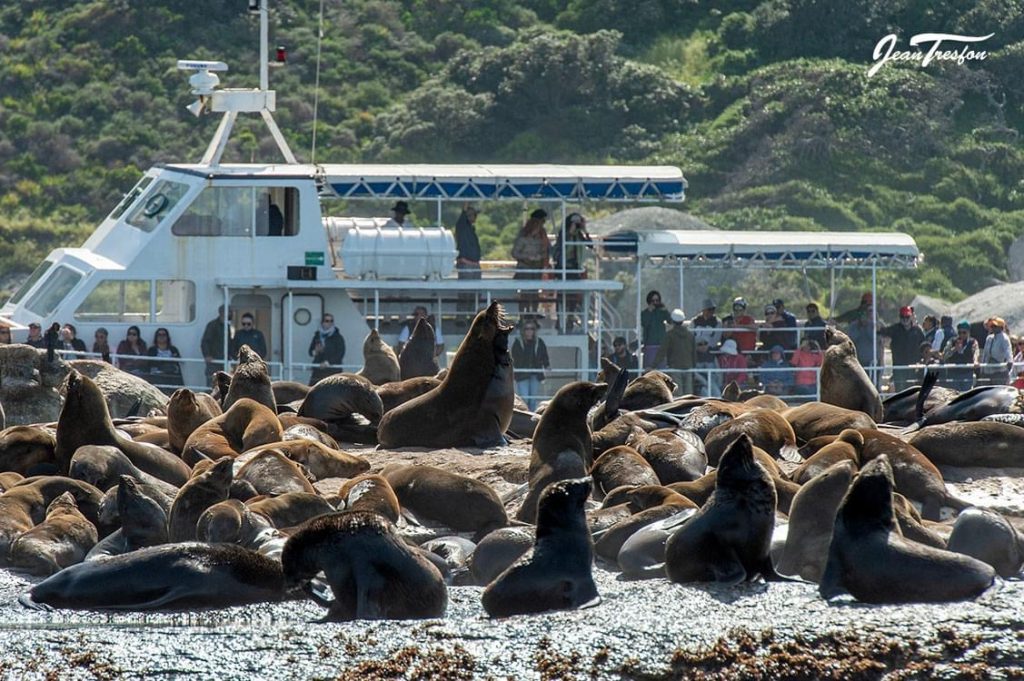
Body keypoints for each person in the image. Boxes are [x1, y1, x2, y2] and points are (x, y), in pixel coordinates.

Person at [552, 213, 591, 330]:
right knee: (561, 294)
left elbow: (590, 245)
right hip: (564, 267)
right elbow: (562, 244)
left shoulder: (579, 235)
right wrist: (570, 230)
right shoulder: (563, 233)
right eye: (574, 222)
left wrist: (585, 230)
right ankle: (559, 319)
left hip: (575, 268)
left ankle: (570, 318)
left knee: (574, 294)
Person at [511, 209, 551, 314]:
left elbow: (546, 250)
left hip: (537, 268)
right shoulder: (523, 235)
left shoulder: (542, 236)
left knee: (534, 293)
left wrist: (541, 257)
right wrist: (527, 257)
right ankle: (523, 315)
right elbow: (515, 252)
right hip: (525, 268)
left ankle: (533, 313)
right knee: (524, 293)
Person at [880, 306, 925, 391]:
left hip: (913, 366)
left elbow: (924, 344)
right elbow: (882, 332)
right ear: (899, 317)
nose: (905, 319)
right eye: (902, 317)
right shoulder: (895, 329)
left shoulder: (917, 331)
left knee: (912, 389)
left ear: (911, 317)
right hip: (899, 366)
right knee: (900, 390)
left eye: (907, 317)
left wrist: (922, 359)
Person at [652, 308, 696, 395]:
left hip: (675, 368)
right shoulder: (690, 335)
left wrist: (653, 366)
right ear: (683, 320)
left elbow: (662, 352)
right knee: (689, 395)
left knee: (678, 396)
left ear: (672, 321)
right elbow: (694, 354)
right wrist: (693, 367)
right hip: (688, 368)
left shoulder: (670, 335)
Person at [511, 320, 550, 411]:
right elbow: (514, 357)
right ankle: (525, 417)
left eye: (531, 329)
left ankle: (531, 417)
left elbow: (544, 355)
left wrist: (547, 365)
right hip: (522, 375)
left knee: (532, 400)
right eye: (526, 329)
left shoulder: (539, 342)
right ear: (523, 331)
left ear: (534, 331)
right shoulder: (518, 342)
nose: (529, 331)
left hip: (535, 374)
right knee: (524, 399)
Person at [309, 312, 346, 385]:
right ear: (322, 323)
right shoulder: (317, 336)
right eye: (327, 321)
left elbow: (340, 353)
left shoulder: (337, 337)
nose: (329, 323)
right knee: (313, 390)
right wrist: (315, 351)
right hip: (318, 370)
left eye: (331, 321)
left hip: (333, 370)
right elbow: (310, 352)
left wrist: (328, 362)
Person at [201, 306, 233, 385]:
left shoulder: (227, 326)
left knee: (223, 384)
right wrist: (207, 355)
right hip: (213, 361)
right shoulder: (212, 325)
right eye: (229, 312)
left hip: (223, 361)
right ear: (221, 312)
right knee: (211, 383)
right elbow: (205, 341)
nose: (230, 314)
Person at [942, 320, 977, 390]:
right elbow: (944, 355)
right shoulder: (952, 341)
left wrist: (976, 361)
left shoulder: (972, 342)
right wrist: (954, 349)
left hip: (967, 373)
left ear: (968, 332)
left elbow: (976, 352)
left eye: (964, 333)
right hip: (953, 373)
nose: (961, 335)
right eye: (959, 332)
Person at [640, 290, 671, 369]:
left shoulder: (661, 312)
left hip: (661, 343)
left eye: (657, 300)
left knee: (662, 367)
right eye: (653, 301)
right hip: (650, 344)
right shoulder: (644, 313)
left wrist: (666, 311)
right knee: (650, 368)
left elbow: (670, 321)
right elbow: (644, 324)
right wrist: (650, 312)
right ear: (649, 301)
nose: (655, 302)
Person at [146, 327, 183, 392]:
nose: (161, 337)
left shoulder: (173, 349)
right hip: (157, 375)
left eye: (164, 335)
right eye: (159, 335)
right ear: (156, 337)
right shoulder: (152, 350)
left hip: (171, 374)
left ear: (167, 337)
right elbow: (151, 363)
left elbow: (177, 362)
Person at [979, 317, 1012, 386]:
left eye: (995, 326)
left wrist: (1009, 367)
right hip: (987, 371)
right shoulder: (989, 338)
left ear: (1001, 327)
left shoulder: (1004, 339)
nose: (992, 328)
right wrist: (982, 369)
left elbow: (1008, 353)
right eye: (992, 326)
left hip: (999, 372)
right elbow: (985, 354)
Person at [454, 204, 481, 280]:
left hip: (474, 265)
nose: (475, 217)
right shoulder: (462, 225)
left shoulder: (470, 229)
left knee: (476, 290)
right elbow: (464, 211)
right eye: (474, 215)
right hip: (466, 264)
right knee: (466, 290)